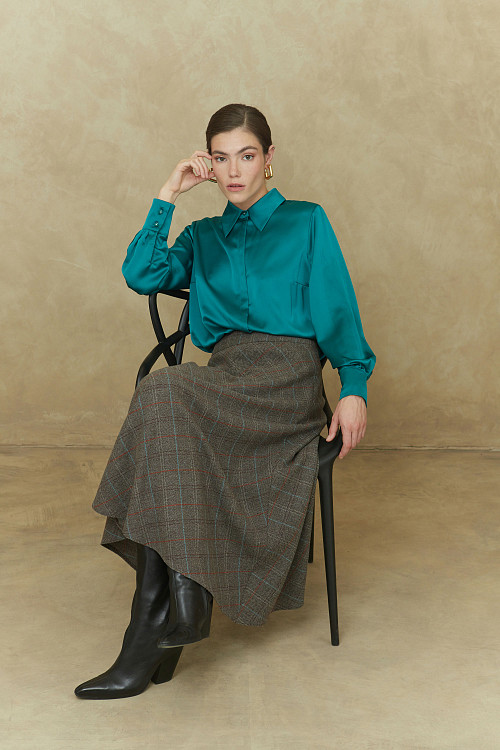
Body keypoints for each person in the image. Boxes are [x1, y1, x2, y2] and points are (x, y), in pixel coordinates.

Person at [74, 103, 376, 700]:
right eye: (221, 158)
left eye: (247, 155)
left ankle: (157, 626)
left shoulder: (307, 221)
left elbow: (338, 310)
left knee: (164, 393)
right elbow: (141, 273)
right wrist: (169, 192)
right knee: (165, 397)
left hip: (286, 384)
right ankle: (177, 605)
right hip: (227, 376)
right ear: (208, 163)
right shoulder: (202, 236)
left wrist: (353, 388)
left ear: (269, 158)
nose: (234, 171)